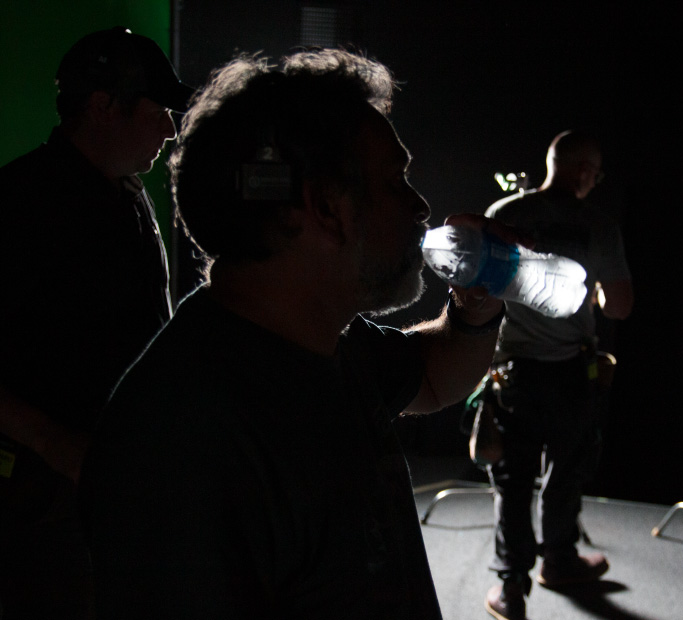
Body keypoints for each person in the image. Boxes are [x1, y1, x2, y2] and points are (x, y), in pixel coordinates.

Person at [79, 49, 517, 620]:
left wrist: (474, 308)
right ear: (325, 209)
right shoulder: (175, 446)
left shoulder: (328, 340)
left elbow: (434, 377)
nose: (421, 206)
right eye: (396, 181)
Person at [0, 27, 193, 619]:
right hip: (43, 512)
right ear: (103, 106)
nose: (171, 129)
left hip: (119, 498)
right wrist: (55, 444)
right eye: (158, 112)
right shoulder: (18, 204)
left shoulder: (127, 194)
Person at [482, 130, 634, 620]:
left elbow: (481, 290)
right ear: (584, 171)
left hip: (514, 372)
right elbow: (621, 306)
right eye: (595, 174)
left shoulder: (504, 213)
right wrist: (595, 292)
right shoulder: (598, 225)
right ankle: (559, 560)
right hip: (572, 371)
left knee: (512, 480)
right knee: (566, 470)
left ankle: (512, 587)